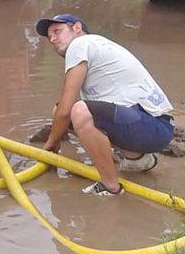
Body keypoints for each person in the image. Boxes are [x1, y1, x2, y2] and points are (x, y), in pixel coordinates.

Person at [35, 13, 174, 196]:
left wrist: (50, 146)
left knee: (77, 110)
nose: (52, 39)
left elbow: (66, 109)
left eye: (57, 31)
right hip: (154, 126)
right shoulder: (97, 47)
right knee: (64, 111)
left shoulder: (80, 44)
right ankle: (137, 159)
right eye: (49, 36)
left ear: (77, 28)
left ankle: (110, 186)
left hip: (152, 125)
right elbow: (61, 112)